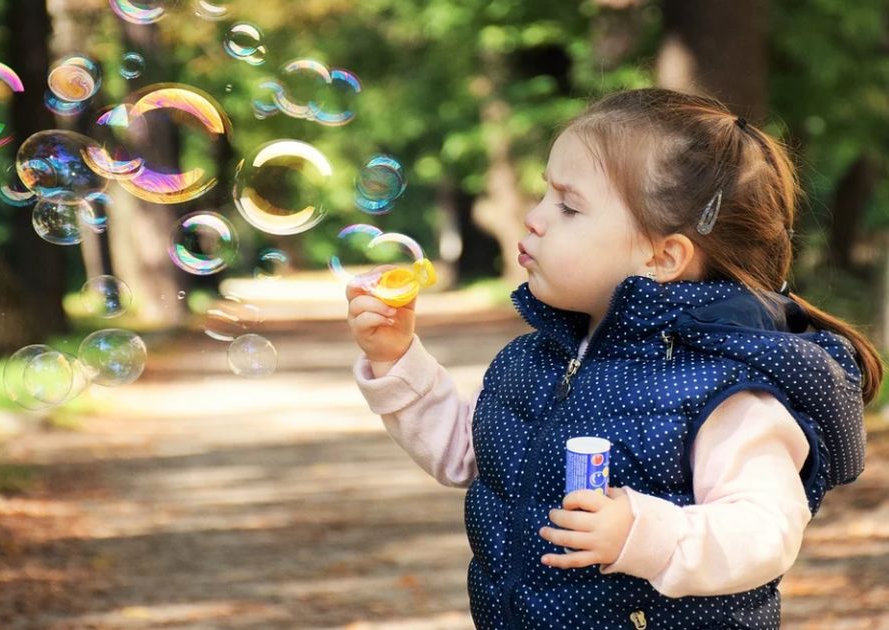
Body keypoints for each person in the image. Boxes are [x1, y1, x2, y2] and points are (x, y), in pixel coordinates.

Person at [345, 88, 883, 629]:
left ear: (662, 257)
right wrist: (397, 361)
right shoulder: (535, 359)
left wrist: (641, 534)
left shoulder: (722, 389)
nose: (533, 219)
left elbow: (765, 532)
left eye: (569, 206)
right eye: (543, 195)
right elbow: (470, 453)